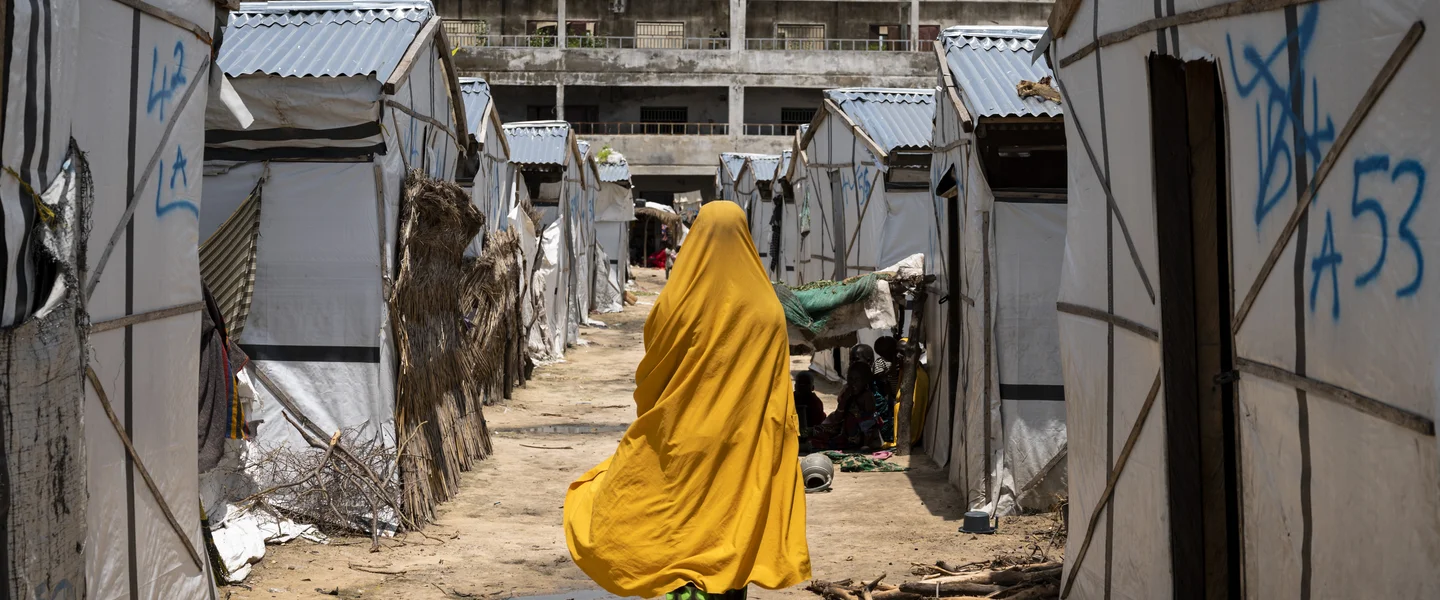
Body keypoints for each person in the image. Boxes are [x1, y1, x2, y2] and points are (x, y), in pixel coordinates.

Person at [564, 202, 810, 600]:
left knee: (677, 519)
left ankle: (685, 587)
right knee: (734, 524)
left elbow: (653, 374)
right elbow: (777, 387)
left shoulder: (677, 303)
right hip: (745, 443)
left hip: (686, 435)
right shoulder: (767, 310)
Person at [808, 344, 894, 451]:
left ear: (869, 361)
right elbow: (838, 416)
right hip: (847, 431)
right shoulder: (849, 389)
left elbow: (872, 422)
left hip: (866, 435)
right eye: (851, 360)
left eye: (857, 359)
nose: (853, 363)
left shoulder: (875, 391)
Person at [793, 372, 826, 449]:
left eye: (806, 383)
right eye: (800, 383)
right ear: (795, 386)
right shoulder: (791, 399)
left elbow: (819, 421)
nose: (802, 386)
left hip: (810, 431)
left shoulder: (815, 402)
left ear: (813, 387)